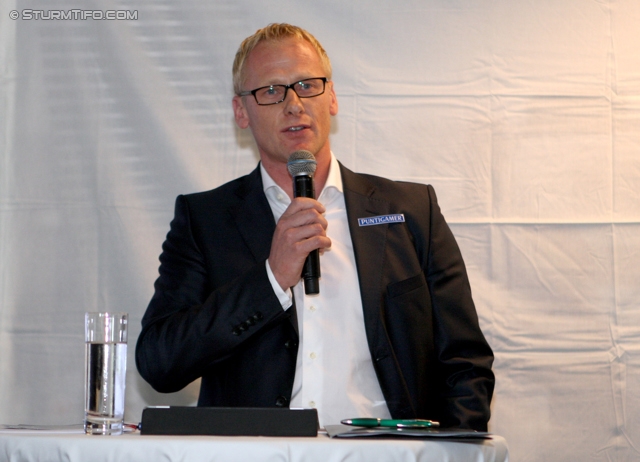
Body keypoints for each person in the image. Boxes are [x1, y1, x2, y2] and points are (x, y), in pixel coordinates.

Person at [135, 23, 495, 431]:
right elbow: (158, 363)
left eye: (307, 85)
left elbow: (465, 363)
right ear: (241, 111)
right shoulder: (205, 220)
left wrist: (444, 454)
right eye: (271, 91)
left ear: (333, 97)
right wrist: (271, 280)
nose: (293, 104)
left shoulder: (411, 211)